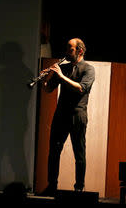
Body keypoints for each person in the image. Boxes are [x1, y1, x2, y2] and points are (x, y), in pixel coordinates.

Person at [40, 38, 95, 196]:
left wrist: (61, 75)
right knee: (54, 151)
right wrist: (45, 78)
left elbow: (81, 88)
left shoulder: (88, 69)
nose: (66, 52)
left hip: (77, 114)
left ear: (80, 51)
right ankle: (52, 186)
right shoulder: (62, 68)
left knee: (79, 153)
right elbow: (48, 90)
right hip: (61, 114)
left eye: (70, 49)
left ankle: (79, 187)